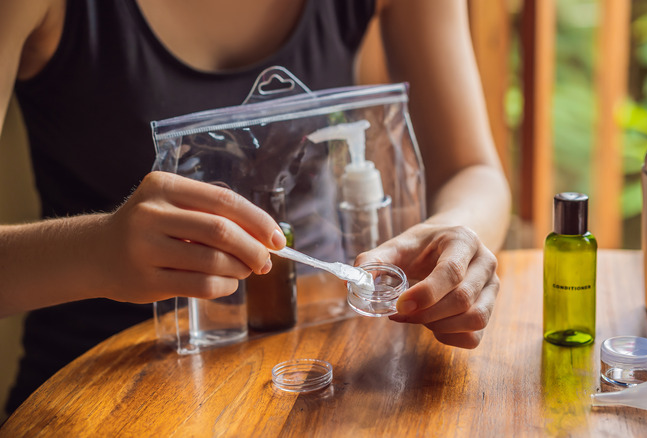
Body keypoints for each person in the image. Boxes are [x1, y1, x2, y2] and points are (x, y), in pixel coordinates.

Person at [0, 0, 511, 415]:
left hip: (324, 386)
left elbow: (473, 172)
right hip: (96, 399)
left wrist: (454, 237)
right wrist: (98, 253)